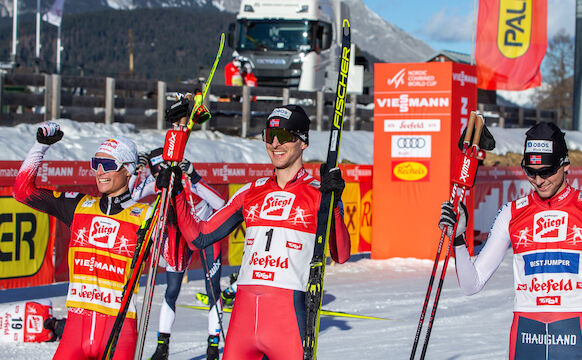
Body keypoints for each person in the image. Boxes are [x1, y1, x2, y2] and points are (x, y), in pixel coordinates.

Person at [158, 104, 351, 360]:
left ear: (303, 142)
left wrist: (334, 203)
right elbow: (199, 237)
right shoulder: (251, 192)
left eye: (284, 136)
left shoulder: (317, 192)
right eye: (269, 137)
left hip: (288, 320)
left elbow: (342, 254)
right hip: (243, 321)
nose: (275, 144)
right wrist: (178, 193)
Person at [439, 122, 582, 360]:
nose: (538, 180)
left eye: (546, 171)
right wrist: (459, 239)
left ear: (566, 166)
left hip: (575, 332)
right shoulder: (511, 213)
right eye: (531, 172)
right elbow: (471, 285)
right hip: (526, 334)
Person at [13, 123, 152, 360]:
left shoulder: (147, 215)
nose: (99, 171)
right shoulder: (78, 205)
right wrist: (40, 147)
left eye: (107, 165)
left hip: (118, 331)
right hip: (76, 329)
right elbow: (22, 192)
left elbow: (189, 245)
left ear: (128, 169)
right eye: (95, 164)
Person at [132, 149, 226, 360]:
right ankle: (162, 347)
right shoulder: (157, 180)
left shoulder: (186, 181)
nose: (161, 181)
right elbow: (133, 193)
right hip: (178, 236)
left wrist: (195, 176)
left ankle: (212, 348)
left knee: (213, 291)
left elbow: (220, 204)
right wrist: (139, 170)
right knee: (171, 289)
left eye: (161, 174)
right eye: (156, 176)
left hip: (205, 234)